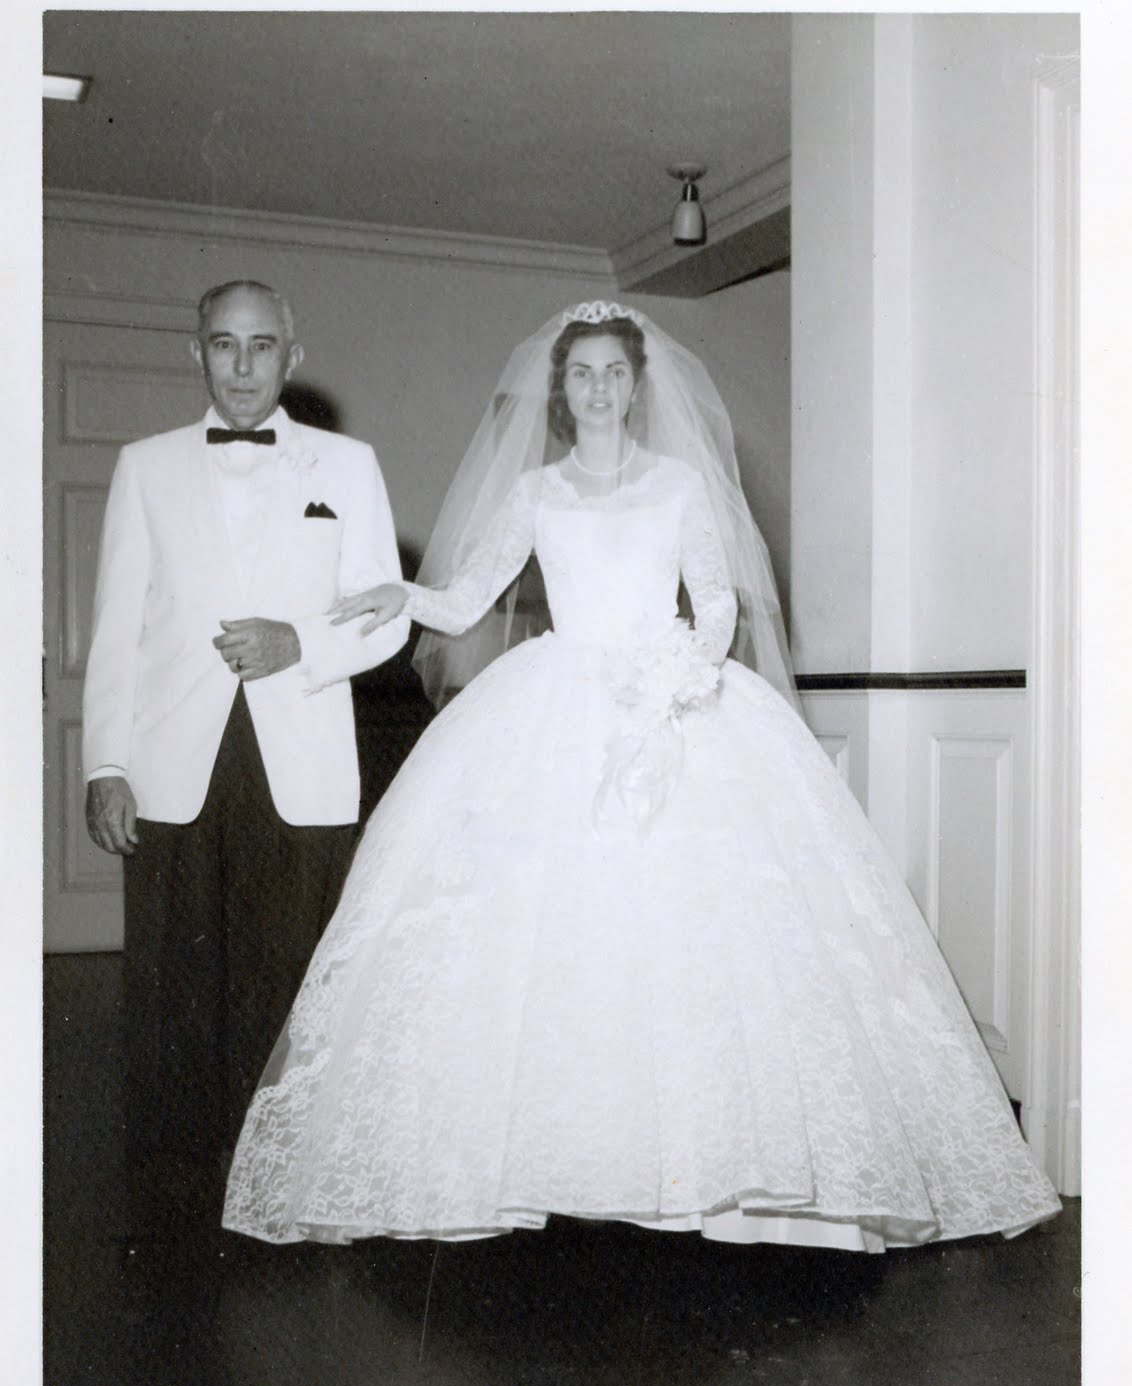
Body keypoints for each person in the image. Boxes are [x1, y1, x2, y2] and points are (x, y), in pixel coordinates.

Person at [222, 300, 1060, 1253]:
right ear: (562, 388)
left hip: (672, 699)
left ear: (635, 384)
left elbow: (716, 604)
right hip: (553, 708)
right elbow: (465, 602)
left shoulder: (678, 487)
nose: (599, 389)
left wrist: (680, 677)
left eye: (614, 373)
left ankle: (721, 1179)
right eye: (582, 373)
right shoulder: (535, 493)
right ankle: (551, 1163)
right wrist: (402, 594)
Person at [83, 280, 410, 1244]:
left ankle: (283, 1177)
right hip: (171, 759)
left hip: (299, 751)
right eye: (223, 345)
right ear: (197, 354)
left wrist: (299, 643)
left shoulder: (347, 466)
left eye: (261, 346)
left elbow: (387, 617)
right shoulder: (145, 467)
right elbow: (114, 629)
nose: (241, 365)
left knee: (288, 970)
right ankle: (173, 1195)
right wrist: (105, 764)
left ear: (291, 357)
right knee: (172, 982)